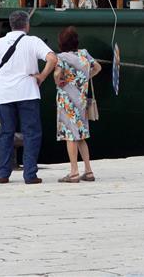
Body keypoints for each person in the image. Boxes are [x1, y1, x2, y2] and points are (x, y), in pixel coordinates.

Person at [0, 11, 57, 184]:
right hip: (28, 93)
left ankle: (3, 173)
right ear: (27, 25)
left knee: (6, 133)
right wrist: (42, 76)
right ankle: (30, 174)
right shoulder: (33, 41)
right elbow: (53, 59)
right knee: (31, 133)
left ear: (11, 24)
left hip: (4, 95)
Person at [53, 26, 101, 183]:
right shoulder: (84, 54)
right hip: (81, 100)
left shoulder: (61, 57)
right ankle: (88, 171)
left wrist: (58, 81)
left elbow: (57, 74)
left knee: (70, 136)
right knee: (81, 136)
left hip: (67, 101)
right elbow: (98, 67)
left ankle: (73, 172)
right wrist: (84, 78)